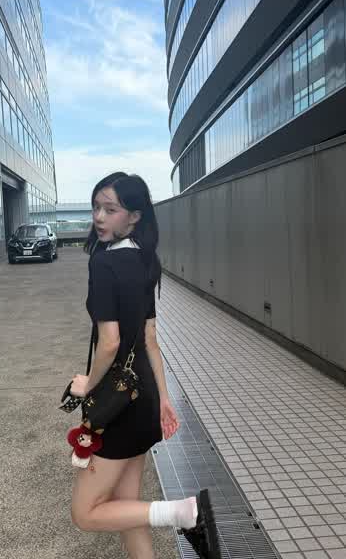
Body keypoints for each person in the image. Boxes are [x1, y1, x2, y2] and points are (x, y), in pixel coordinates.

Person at [69, 173, 220, 559]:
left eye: (110, 209)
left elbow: (110, 343)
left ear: (134, 216)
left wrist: (88, 385)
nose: (98, 217)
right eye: (96, 207)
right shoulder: (144, 259)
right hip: (143, 397)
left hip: (118, 404)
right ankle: (176, 517)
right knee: (128, 509)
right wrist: (164, 398)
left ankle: (183, 513)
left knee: (85, 513)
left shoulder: (104, 263)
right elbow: (150, 338)